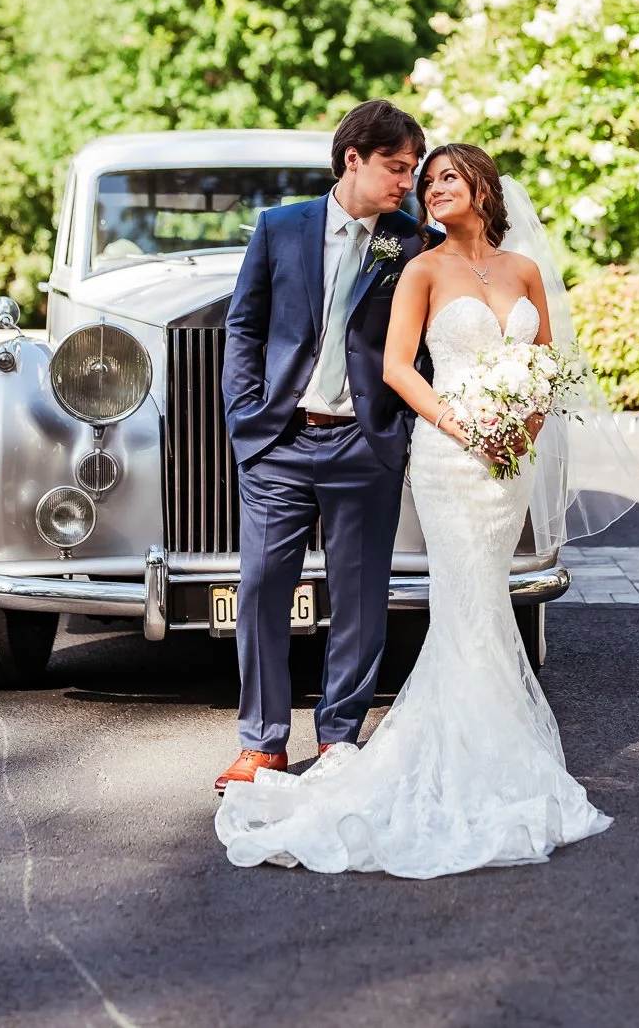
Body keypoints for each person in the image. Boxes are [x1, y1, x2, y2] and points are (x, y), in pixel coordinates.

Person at [215, 143, 619, 875]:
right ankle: (274, 742)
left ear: (484, 188)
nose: (424, 189)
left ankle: (443, 744)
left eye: (439, 177)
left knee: (476, 600)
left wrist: (519, 432)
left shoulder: (513, 268)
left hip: (505, 464)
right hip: (446, 450)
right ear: (353, 160)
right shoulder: (419, 265)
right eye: (415, 177)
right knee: (441, 599)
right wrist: (468, 429)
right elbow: (396, 363)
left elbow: (549, 368)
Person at [214, 99, 432, 795]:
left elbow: (422, 344)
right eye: (396, 168)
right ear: (353, 160)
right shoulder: (280, 228)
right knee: (260, 590)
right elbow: (244, 327)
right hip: (280, 441)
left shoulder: (410, 242)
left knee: (361, 600)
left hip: (363, 445)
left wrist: (396, 430)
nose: (408, 182)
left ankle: (340, 737)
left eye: (413, 170)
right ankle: (262, 744)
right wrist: (246, 416)